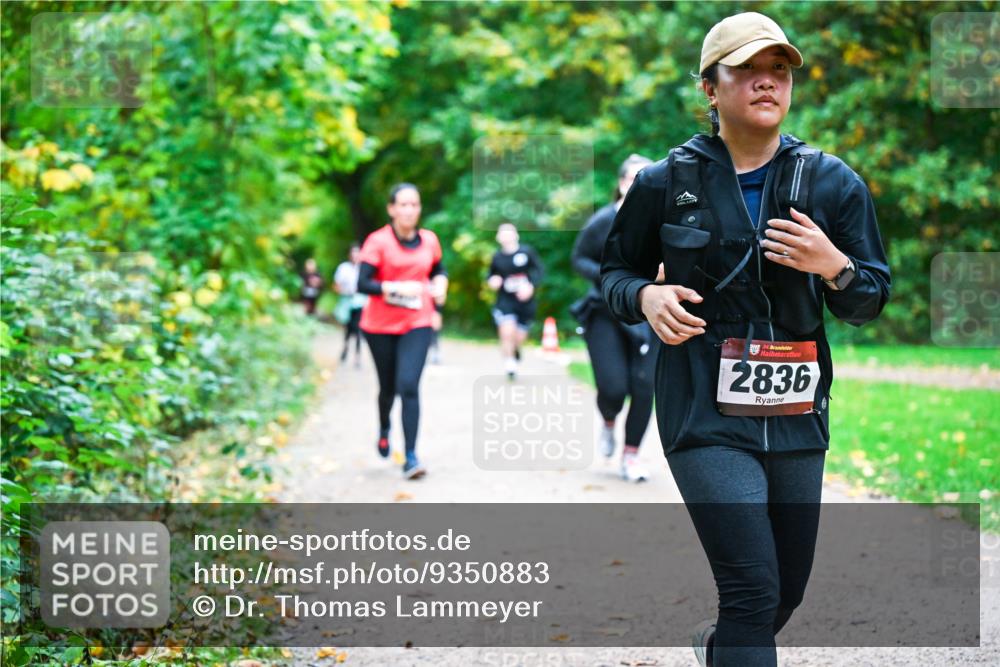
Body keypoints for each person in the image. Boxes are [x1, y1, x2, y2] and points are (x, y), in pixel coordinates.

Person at [600, 12, 891, 667]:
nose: (768, 82)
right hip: (703, 404)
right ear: (711, 86)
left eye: (780, 69)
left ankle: (718, 649)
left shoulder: (832, 183)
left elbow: (870, 297)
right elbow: (612, 275)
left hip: (796, 412)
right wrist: (645, 295)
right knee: (752, 592)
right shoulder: (664, 183)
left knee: (784, 592)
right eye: (749, 69)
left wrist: (833, 266)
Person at [571, 155, 660, 482]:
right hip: (605, 313)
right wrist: (612, 277)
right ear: (622, 183)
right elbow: (578, 258)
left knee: (644, 385)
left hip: (648, 315)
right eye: (634, 178)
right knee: (613, 387)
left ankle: (631, 455)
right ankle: (609, 420)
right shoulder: (604, 220)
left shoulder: (663, 219)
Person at [356, 183, 448, 479]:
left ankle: (411, 456)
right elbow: (362, 283)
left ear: (419, 209)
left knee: (408, 385)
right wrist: (393, 287)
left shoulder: (430, 240)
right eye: (403, 205)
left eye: (414, 205)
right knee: (388, 388)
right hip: (379, 325)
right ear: (392, 209)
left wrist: (441, 283)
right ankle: (384, 427)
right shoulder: (378, 242)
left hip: (417, 322)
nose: (409, 210)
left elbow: (438, 269)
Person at [486, 223, 544, 380]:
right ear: (498, 237)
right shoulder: (497, 257)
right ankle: (510, 365)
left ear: (516, 235)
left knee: (519, 336)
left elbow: (539, 271)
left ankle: (515, 349)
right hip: (505, 300)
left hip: (525, 302)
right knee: (506, 332)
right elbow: (490, 275)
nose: (506, 236)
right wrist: (493, 280)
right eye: (502, 233)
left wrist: (531, 286)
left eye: (509, 233)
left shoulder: (526, 252)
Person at [333, 244, 367, 368]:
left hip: (360, 301)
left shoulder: (363, 268)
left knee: (357, 328)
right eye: (353, 253)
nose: (355, 255)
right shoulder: (343, 268)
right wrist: (343, 290)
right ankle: (346, 348)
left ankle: (357, 356)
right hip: (347, 301)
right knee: (348, 328)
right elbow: (336, 285)